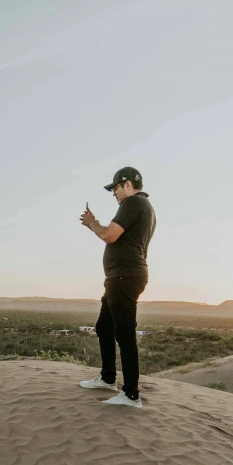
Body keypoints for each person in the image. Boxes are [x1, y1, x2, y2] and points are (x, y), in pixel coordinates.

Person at [79, 167, 156, 408]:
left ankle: (131, 394)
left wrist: (93, 223)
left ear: (128, 184)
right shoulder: (143, 207)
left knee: (124, 333)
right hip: (120, 278)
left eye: (115, 188)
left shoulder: (133, 203)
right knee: (104, 327)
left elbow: (109, 235)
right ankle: (107, 378)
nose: (113, 192)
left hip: (125, 277)